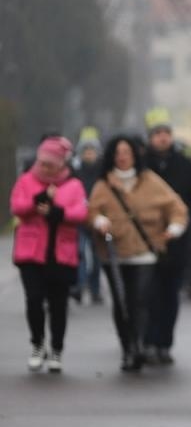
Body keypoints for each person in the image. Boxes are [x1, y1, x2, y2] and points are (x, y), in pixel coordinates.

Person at [88, 134, 188, 372]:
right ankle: (128, 348)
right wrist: (99, 221)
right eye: (118, 153)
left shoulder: (151, 181)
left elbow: (177, 207)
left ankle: (139, 345)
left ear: (135, 155)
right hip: (114, 252)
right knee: (121, 302)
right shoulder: (103, 185)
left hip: (145, 253)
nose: (123, 157)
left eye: (127, 152)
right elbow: (91, 211)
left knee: (140, 301)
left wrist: (174, 228)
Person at [12, 136, 87, 372]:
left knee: (58, 305)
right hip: (31, 253)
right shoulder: (26, 181)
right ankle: (37, 344)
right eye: (42, 162)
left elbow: (81, 213)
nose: (45, 167)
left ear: (61, 164)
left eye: (50, 164)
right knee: (33, 300)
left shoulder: (73, 185)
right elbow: (17, 207)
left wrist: (57, 212)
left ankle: (56, 349)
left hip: (61, 253)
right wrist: (38, 201)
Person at [141, 108, 191, 365]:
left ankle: (164, 343)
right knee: (147, 294)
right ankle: (146, 340)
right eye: (157, 133)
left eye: (166, 133)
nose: (162, 138)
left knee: (169, 294)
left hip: (177, 239)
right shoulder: (141, 164)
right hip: (146, 239)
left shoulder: (184, 164)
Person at [72, 129, 103, 305]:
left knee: (97, 258)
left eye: (91, 151)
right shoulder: (76, 171)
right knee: (80, 254)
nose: (89, 154)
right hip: (80, 220)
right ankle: (79, 285)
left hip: (97, 219)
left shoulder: (101, 171)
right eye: (86, 151)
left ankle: (95, 289)